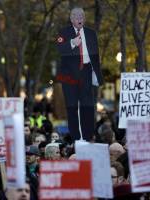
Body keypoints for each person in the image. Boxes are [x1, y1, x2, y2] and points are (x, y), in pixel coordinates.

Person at [56, 7, 103, 142]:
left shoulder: (91, 33)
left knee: (88, 105)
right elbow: (59, 49)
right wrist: (71, 43)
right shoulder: (64, 32)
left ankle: (88, 136)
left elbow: (96, 54)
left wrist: (96, 72)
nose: (79, 19)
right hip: (69, 75)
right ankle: (76, 137)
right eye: (76, 17)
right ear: (71, 19)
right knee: (71, 106)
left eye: (82, 16)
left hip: (86, 72)